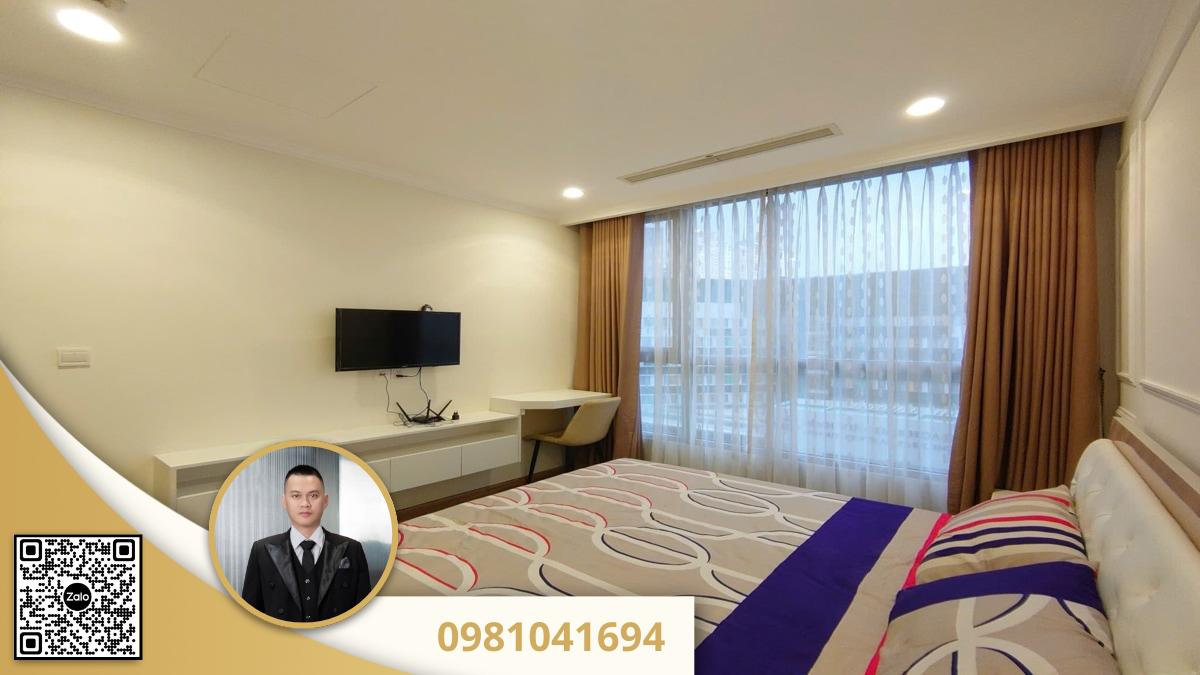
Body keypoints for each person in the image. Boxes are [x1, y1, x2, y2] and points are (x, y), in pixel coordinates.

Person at [240, 464, 371, 622]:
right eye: (296, 496)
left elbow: (364, 616)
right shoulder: (262, 550)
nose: (305, 504)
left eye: (313, 495)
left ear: (325, 501)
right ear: (284, 501)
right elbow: (249, 617)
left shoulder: (352, 549)